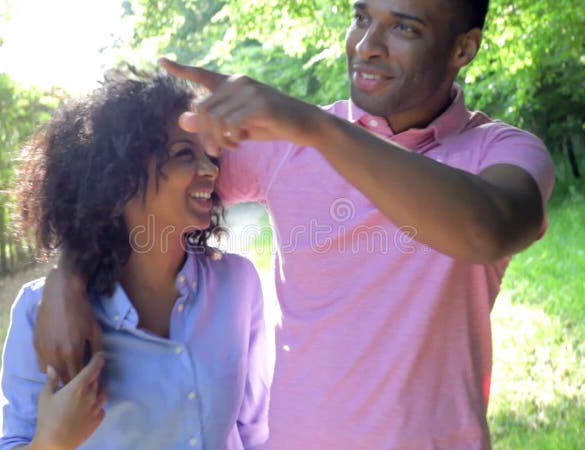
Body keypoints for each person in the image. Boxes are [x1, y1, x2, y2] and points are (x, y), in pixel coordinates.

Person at [35, 0, 555, 448]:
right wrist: (68, 275)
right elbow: (134, 191)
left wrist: (317, 129)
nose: (367, 45)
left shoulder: (501, 151)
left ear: (464, 48)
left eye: (404, 27)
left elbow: (487, 230)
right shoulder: (291, 143)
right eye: (361, 17)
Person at [0, 68, 270, 450]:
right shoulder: (40, 314)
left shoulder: (238, 283)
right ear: (119, 176)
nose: (210, 169)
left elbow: (255, 431)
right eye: (183, 154)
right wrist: (52, 442)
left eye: (210, 155)